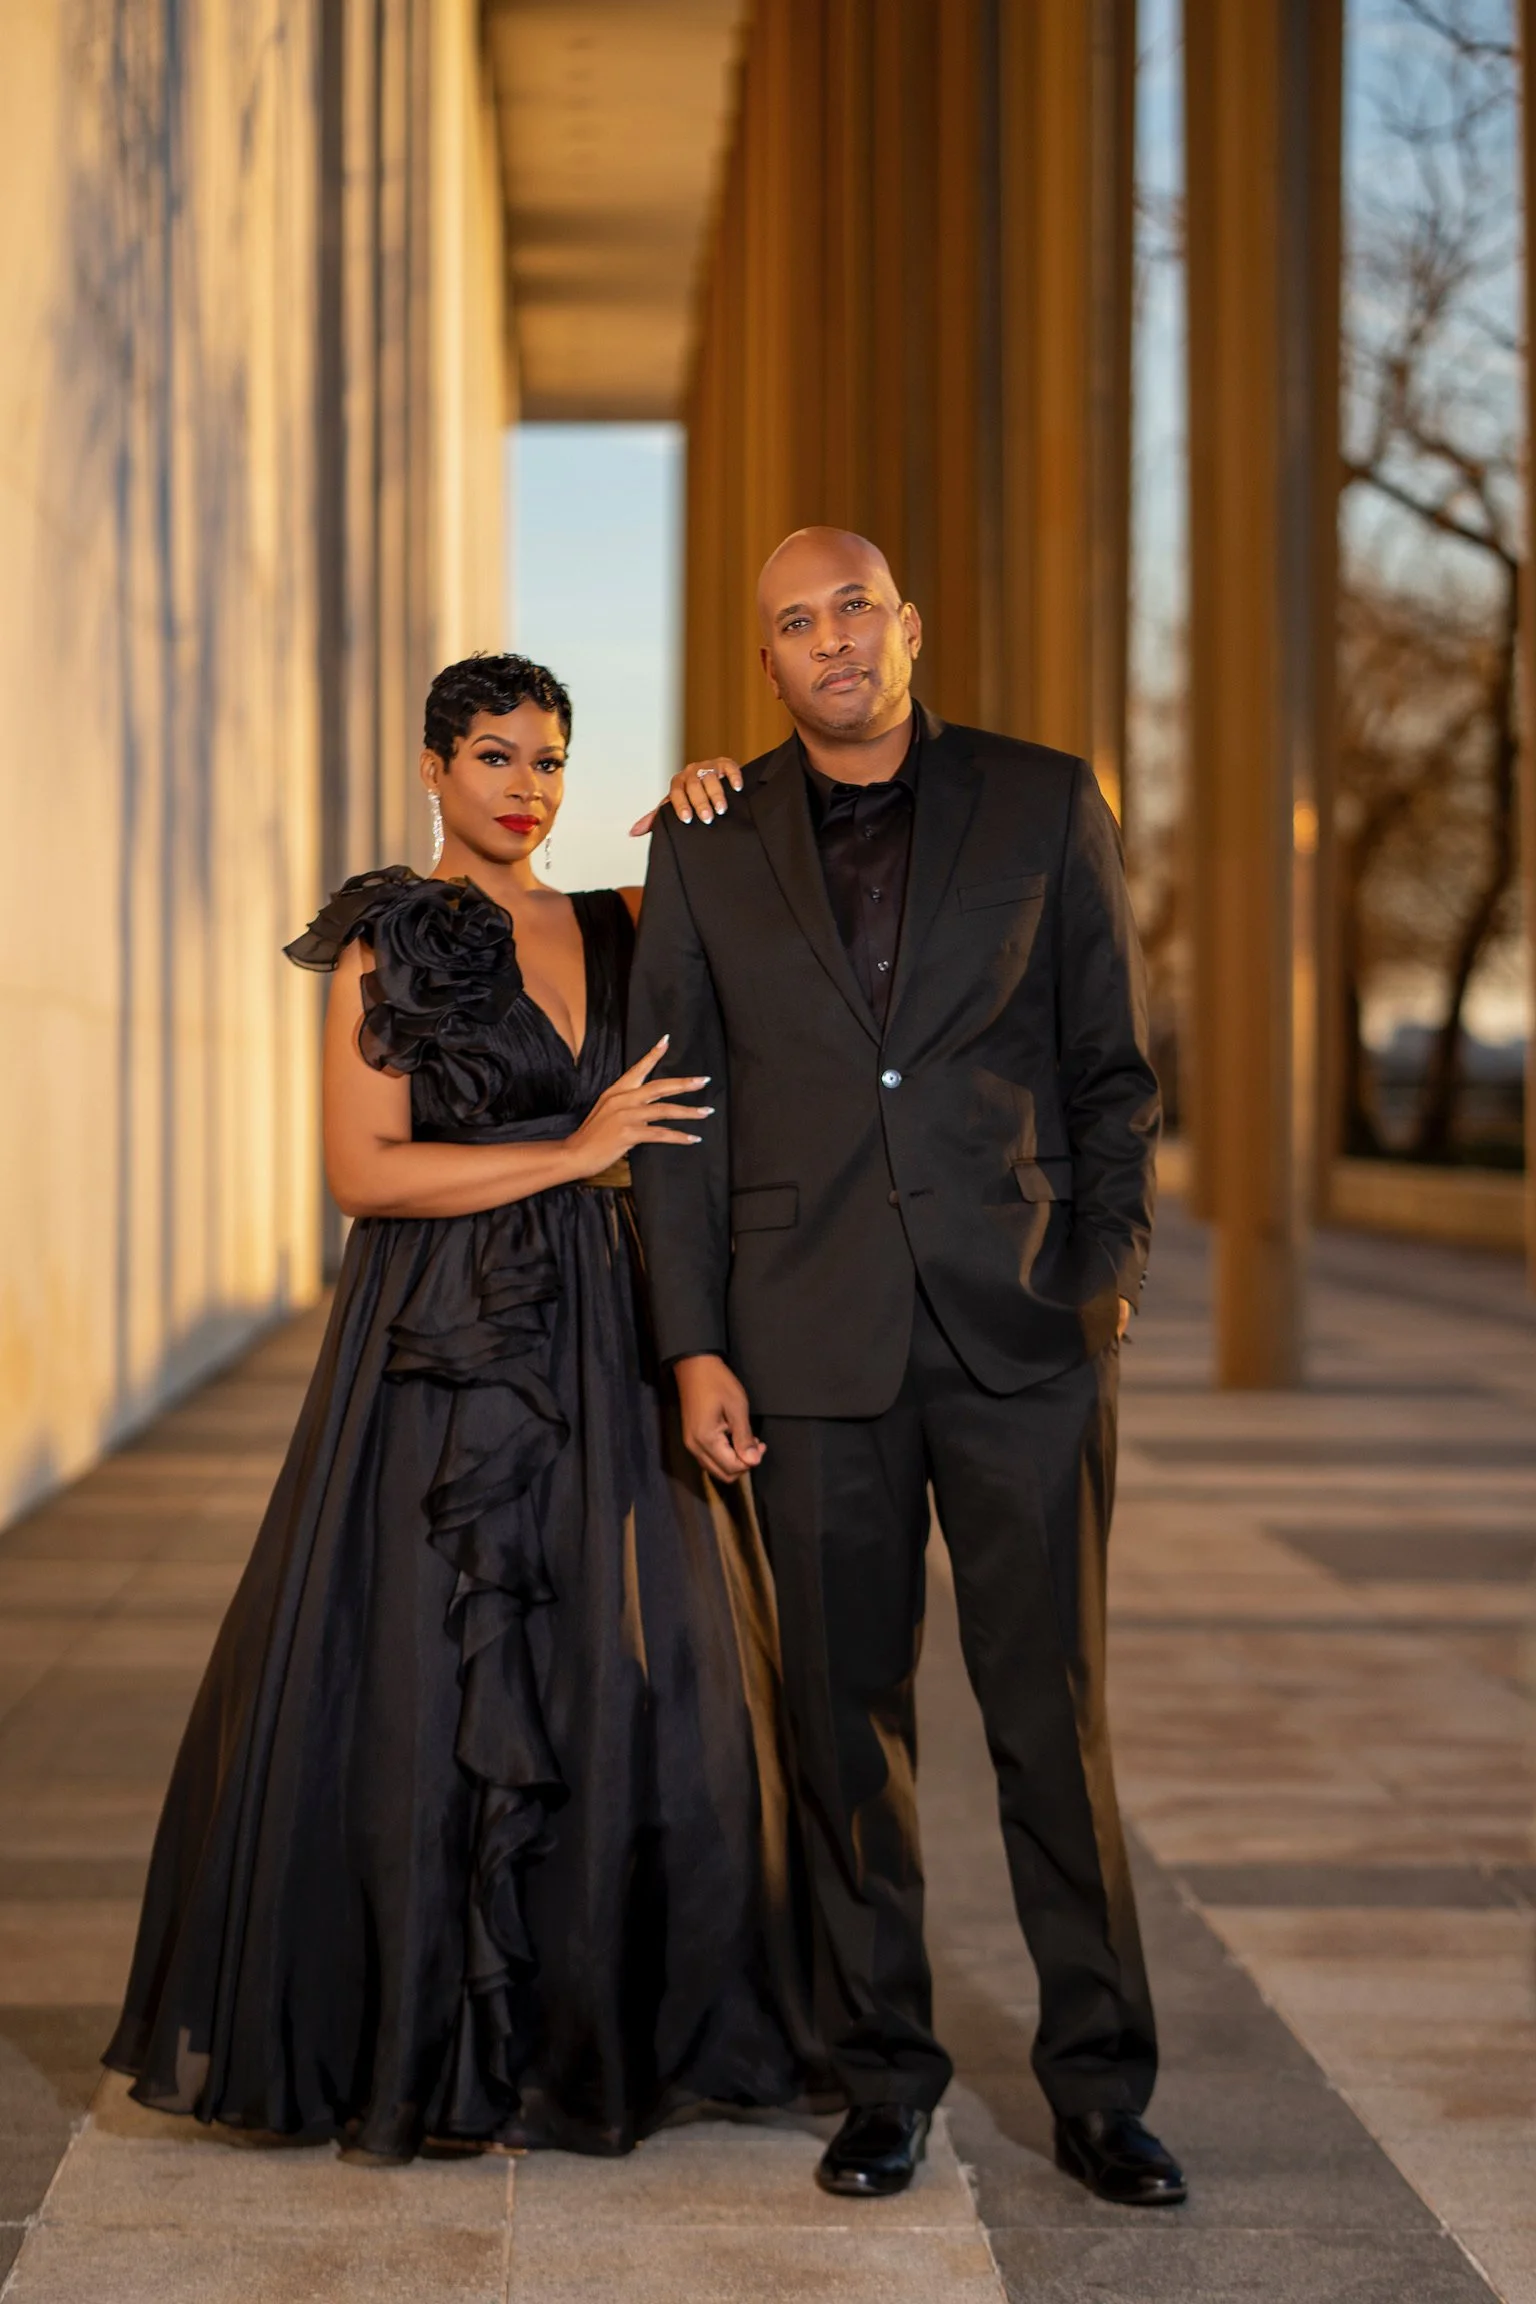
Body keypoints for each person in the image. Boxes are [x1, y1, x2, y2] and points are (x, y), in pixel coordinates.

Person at [106, 652, 819, 2163]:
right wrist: (576, 1154)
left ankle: (588, 2037)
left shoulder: (626, 923)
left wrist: (723, 796)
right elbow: (365, 1175)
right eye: (496, 758)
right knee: (433, 1676)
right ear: (433, 768)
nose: (528, 790)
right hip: (440, 1335)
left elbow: (797, 900)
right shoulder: (392, 939)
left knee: (622, 1671)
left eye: (551, 761)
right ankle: (434, 2046)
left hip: (611, 1325)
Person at [626, 527, 1184, 2206]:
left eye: (852, 606)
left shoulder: (1043, 799)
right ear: (771, 664)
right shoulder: (704, 849)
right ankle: (884, 2077)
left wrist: (1105, 1280)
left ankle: (1099, 2088)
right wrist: (695, 1340)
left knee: (1050, 1724)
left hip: (1023, 1339)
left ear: (908, 625)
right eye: (792, 623)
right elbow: (678, 1121)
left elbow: (1115, 1069)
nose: (830, 640)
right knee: (841, 1730)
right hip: (803, 1349)